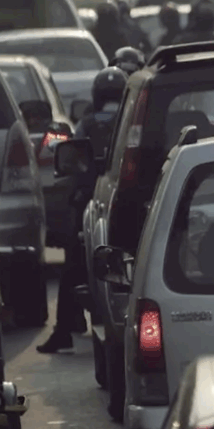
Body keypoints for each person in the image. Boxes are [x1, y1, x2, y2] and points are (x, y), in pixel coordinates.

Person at [38, 67, 129, 354]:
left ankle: (63, 330)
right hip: (129, 204)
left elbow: (70, 155)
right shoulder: (130, 120)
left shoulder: (88, 123)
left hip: (92, 203)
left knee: (73, 266)